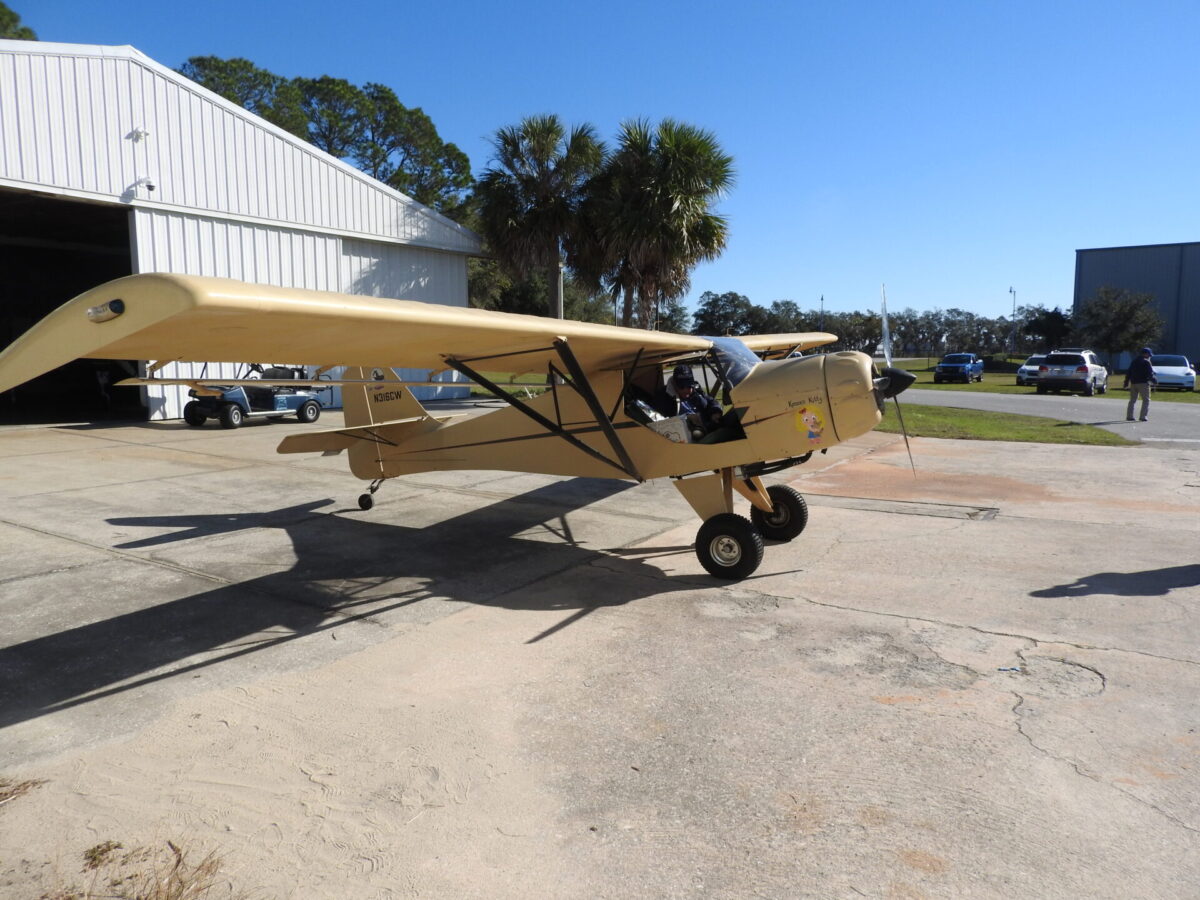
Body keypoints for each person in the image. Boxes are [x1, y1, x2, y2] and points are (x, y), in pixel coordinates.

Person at [652, 364, 727, 441]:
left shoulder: (696, 389)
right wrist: (685, 419)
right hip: (684, 438)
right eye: (681, 387)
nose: (686, 390)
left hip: (706, 429)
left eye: (689, 386)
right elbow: (660, 422)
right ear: (674, 384)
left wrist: (715, 412)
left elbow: (711, 401)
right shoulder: (663, 396)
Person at [1124, 347, 1157, 422]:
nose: (1149, 356)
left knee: (1132, 400)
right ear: (1145, 354)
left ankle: (1129, 416)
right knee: (1146, 400)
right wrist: (1154, 381)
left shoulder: (1134, 361)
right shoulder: (1146, 362)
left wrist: (1126, 382)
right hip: (1143, 383)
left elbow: (1129, 372)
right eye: (1149, 354)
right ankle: (1143, 416)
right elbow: (1150, 374)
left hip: (1133, 383)